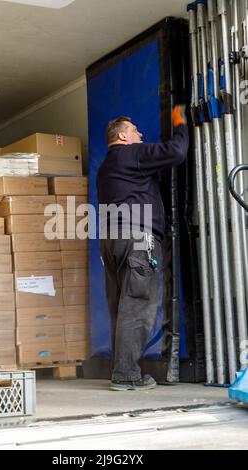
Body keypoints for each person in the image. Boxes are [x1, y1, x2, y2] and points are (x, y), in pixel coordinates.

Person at [96, 105, 189, 391]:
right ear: (123, 137)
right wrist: (180, 123)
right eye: (136, 132)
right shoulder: (132, 154)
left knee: (121, 307)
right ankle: (126, 375)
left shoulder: (105, 168)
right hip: (138, 239)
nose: (141, 134)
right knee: (137, 305)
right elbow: (176, 152)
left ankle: (121, 369)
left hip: (110, 241)